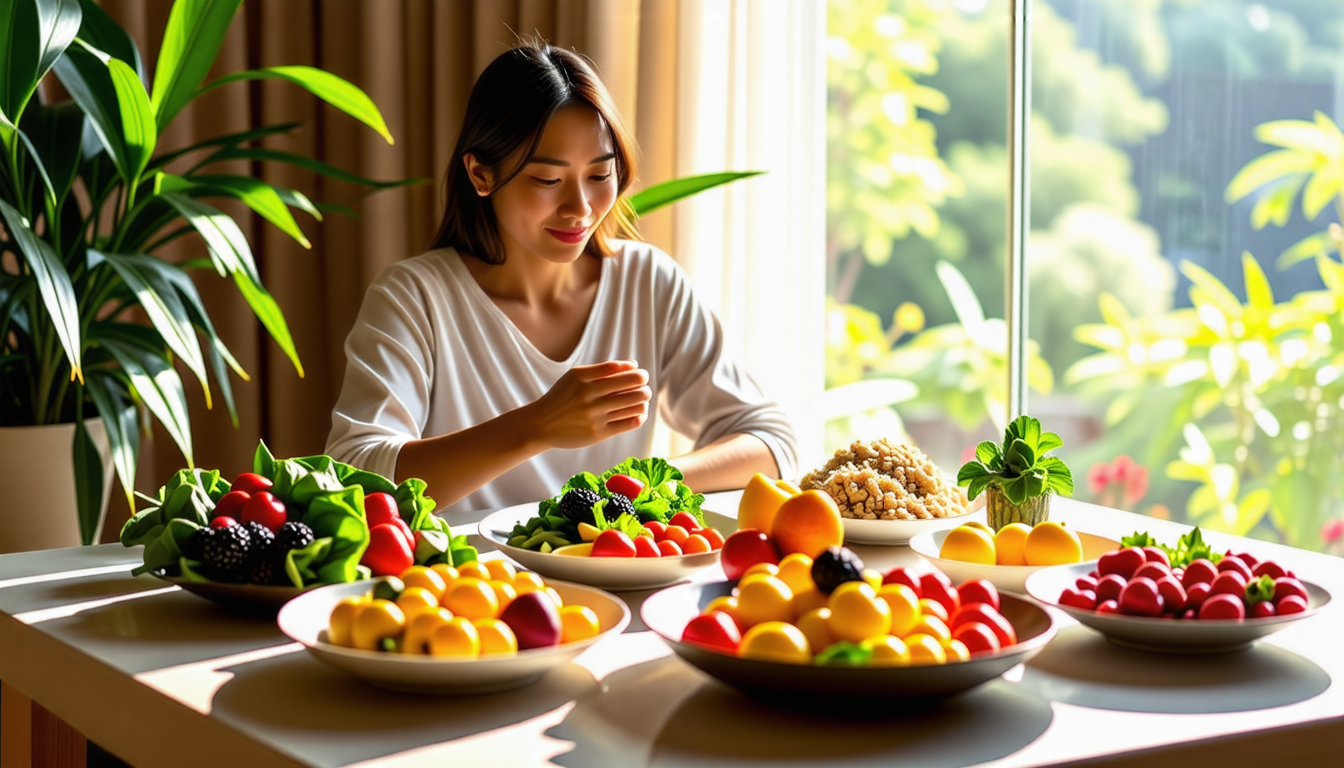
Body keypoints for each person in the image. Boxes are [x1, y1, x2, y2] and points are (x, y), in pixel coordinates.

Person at [325, 40, 797, 512]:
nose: (580, 208)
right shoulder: (415, 297)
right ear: (480, 174)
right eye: (548, 180)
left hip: (615, 581)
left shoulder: (647, 283)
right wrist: (535, 426)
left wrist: (635, 487)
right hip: (468, 583)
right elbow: (355, 478)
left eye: (599, 175)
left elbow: (771, 442)